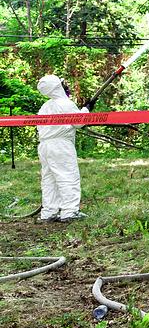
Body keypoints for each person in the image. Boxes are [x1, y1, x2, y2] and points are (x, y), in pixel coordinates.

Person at [36, 75, 88, 223]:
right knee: (67, 176)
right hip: (60, 145)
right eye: (62, 84)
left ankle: (49, 212)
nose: (66, 86)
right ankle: (70, 212)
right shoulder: (65, 103)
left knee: (49, 179)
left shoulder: (45, 106)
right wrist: (87, 110)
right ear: (57, 87)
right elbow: (79, 123)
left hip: (45, 146)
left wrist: (84, 109)